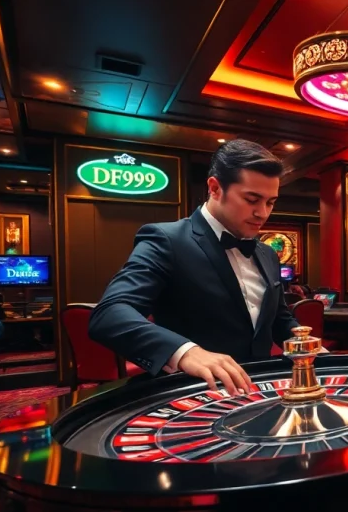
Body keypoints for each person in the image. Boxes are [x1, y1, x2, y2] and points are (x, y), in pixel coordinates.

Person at [89, 139, 307, 396]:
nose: (262, 213)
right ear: (215, 188)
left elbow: (279, 320)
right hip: (193, 394)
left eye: (270, 202)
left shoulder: (267, 253)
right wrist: (185, 351)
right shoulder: (166, 240)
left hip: (259, 389)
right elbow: (110, 315)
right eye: (252, 199)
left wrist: (305, 345)